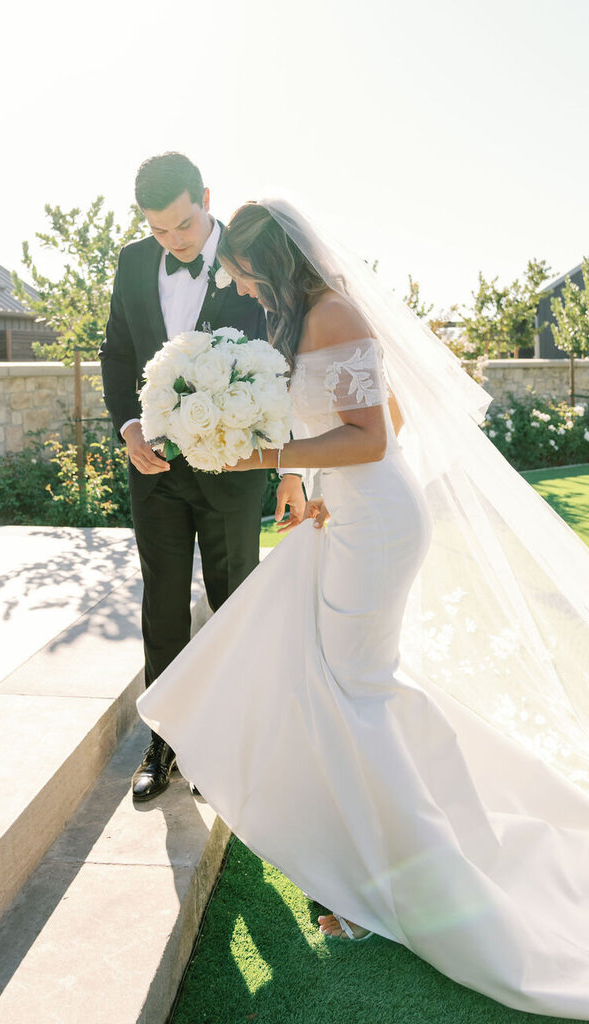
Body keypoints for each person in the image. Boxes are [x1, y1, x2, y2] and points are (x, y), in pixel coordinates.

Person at [138, 198, 589, 1017]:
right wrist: (302, 478)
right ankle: (391, 850)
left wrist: (268, 454)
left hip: (376, 522)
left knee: (356, 694)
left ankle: (408, 882)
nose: (238, 287)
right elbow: (383, 415)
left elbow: (374, 437)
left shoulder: (332, 310)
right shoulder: (308, 313)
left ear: (268, 259)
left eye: (241, 271)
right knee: (351, 687)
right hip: (348, 513)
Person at [99, 158, 305, 800]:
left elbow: (287, 356)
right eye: (159, 232)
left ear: (207, 200)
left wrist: (289, 465)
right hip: (154, 469)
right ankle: (163, 745)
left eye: (183, 224)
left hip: (233, 471)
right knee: (162, 606)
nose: (174, 241)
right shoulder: (133, 264)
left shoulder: (251, 261)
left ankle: (233, 744)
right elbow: (117, 353)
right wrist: (128, 429)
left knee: (232, 603)